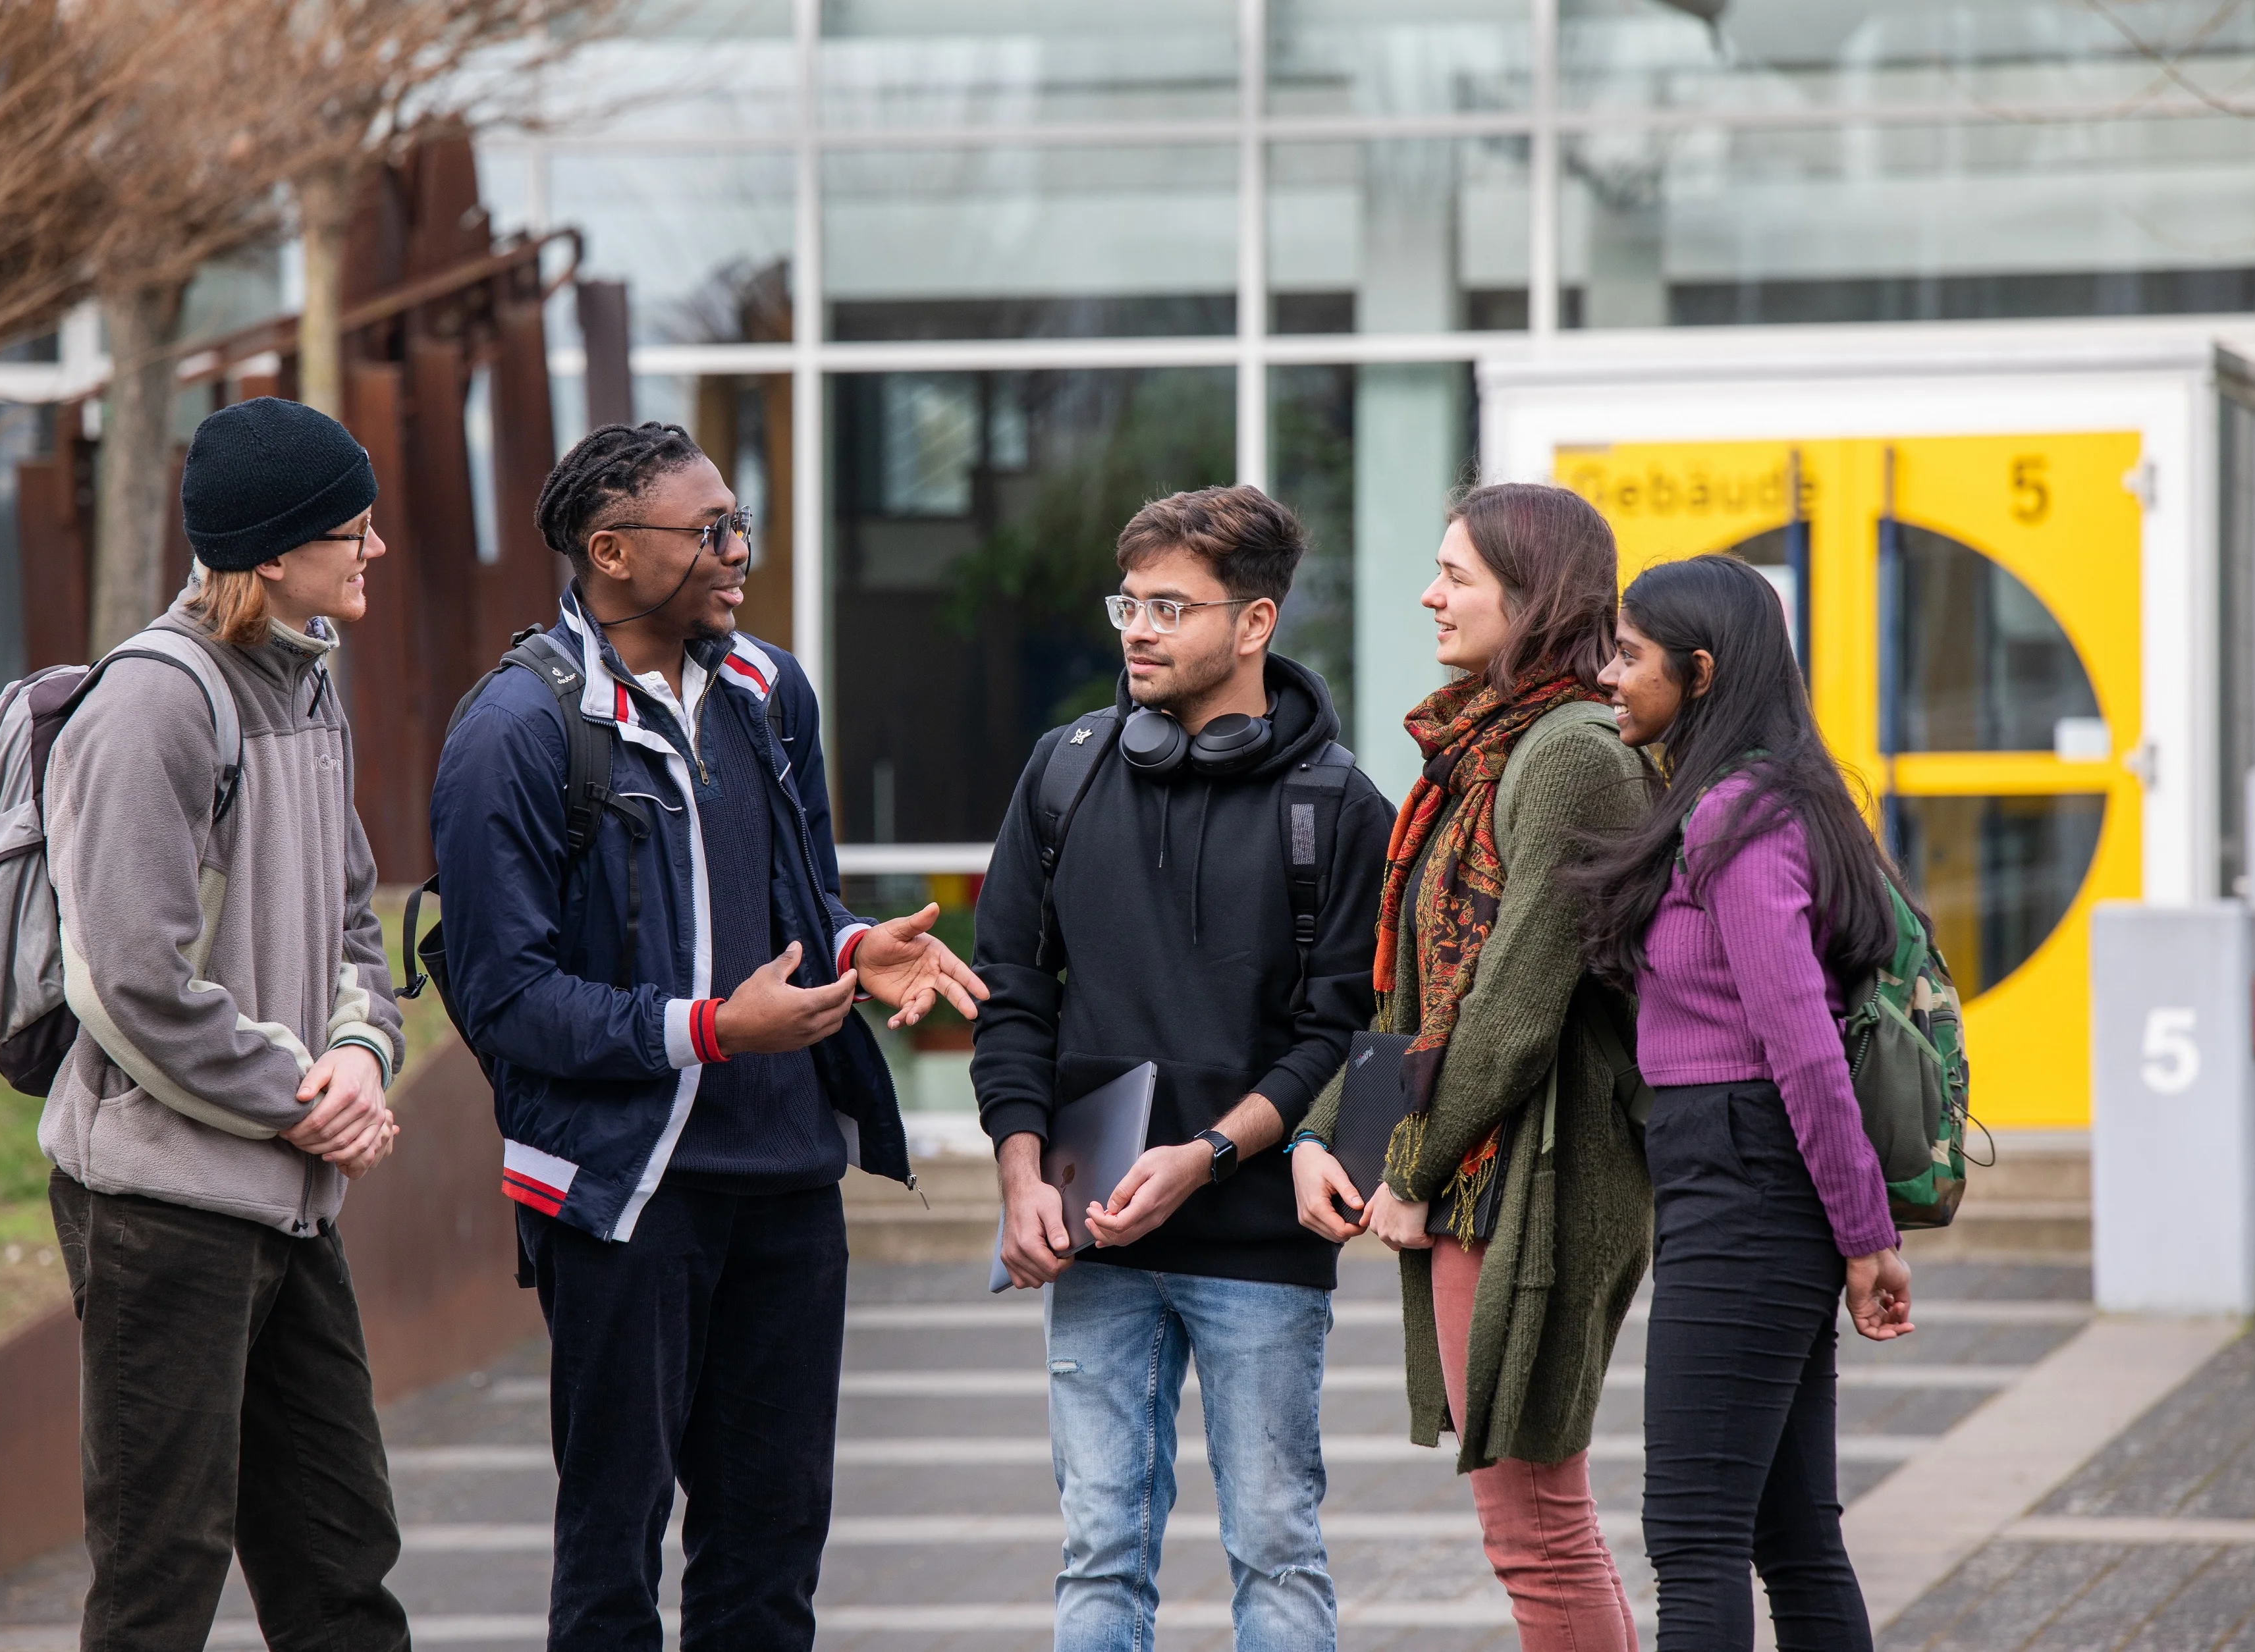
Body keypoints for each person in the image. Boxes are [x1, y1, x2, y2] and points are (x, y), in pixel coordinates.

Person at [428, 421, 985, 1651]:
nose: (742, 551)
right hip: (628, 1196)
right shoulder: (515, 732)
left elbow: (795, 899)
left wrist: (850, 948)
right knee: (615, 1558)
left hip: (786, 1184)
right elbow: (506, 998)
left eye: (739, 523)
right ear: (611, 551)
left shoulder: (769, 691)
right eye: (712, 531)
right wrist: (713, 1031)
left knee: (770, 1557)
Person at [970, 484, 1392, 1652]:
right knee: (1099, 1556)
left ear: (1255, 625)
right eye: (1128, 603)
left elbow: (1335, 1036)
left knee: (1276, 1551)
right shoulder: (1062, 776)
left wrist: (1208, 1157)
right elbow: (1011, 997)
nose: (1137, 630)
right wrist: (1018, 1176)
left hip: (1261, 1245)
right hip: (1099, 1237)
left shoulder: (1338, 811)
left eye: (1170, 606)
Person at [40, 396, 409, 1651]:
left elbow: (358, 925)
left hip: (289, 1198)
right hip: (163, 1212)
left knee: (343, 1573)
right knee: (160, 1583)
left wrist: (361, 1056)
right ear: (270, 555)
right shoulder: (151, 705)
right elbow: (128, 982)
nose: (374, 551)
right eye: (351, 531)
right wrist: (308, 1092)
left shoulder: (308, 686)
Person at [1289, 482, 1657, 1651]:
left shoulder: (1572, 753)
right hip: (1484, 1168)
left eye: (1457, 574)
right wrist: (1319, 1136)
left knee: (1538, 1529)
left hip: (1537, 1178)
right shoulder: (1485, 748)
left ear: (1533, 595)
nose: (1429, 594)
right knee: (1536, 1524)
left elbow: (1510, 1010)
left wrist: (1407, 1168)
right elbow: (1415, 998)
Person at [1580, 553, 1917, 1650]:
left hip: (1745, 1169)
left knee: (1694, 1533)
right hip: (1730, 1166)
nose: (1608, 675)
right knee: (1787, 1531)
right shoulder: (1742, 800)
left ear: (1703, 670)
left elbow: (1805, 1047)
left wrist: (1868, 1238)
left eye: (1630, 655)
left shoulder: (1742, 815)